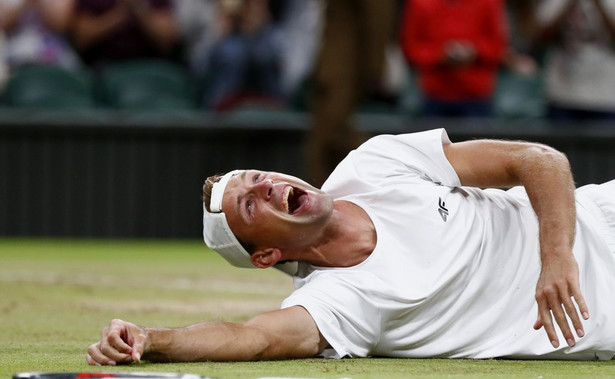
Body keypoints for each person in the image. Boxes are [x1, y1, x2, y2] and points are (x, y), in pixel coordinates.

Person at [87, 129, 615, 364]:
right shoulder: (335, 302)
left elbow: (538, 159)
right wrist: (149, 340)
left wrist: (556, 256)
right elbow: (249, 338)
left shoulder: (374, 163)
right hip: (602, 316)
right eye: (251, 205)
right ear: (265, 256)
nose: (266, 186)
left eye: (255, 176)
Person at [399, 0, 509, 118]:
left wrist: (475, 51)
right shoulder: (420, 3)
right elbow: (411, 49)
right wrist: (441, 54)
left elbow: (498, 47)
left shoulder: (490, 3)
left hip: (477, 96)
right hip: (434, 95)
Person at [533, 0, 615, 121]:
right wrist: (568, 6)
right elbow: (536, 40)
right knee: (557, 139)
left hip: (605, 96)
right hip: (562, 95)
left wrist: (599, 4)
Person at [69, 0, 178, 69]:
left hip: (149, 64)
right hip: (104, 65)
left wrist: (140, 9)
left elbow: (167, 42)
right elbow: (80, 39)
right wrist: (119, 14)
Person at [0, 0, 81, 71]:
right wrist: (24, 4)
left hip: (53, 51)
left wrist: (40, 3)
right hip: (15, 51)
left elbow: (62, 26)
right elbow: (4, 25)